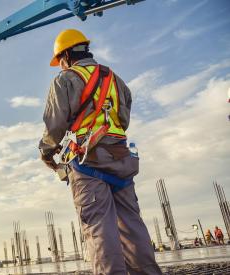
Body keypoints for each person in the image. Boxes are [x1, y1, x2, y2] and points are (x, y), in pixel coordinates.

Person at [39, 29, 162, 274]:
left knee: (99, 229)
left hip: (88, 163)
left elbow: (55, 125)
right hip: (121, 159)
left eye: (59, 61)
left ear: (65, 55)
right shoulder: (116, 79)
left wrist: (46, 152)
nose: (60, 66)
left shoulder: (64, 80)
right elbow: (123, 119)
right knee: (132, 226)